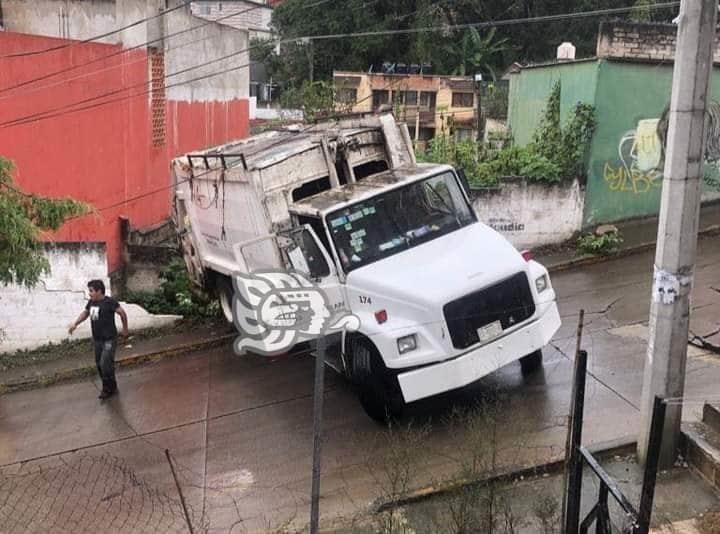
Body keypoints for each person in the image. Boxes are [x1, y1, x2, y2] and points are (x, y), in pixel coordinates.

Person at [68, 280, 129, 399]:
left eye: (91, 291)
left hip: (109, 339)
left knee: (105, 363)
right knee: (100, 365)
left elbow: (122, 313)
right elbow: (85, 313)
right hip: (97, 340)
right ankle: (112, 386)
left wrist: (125, 329)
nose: (89, 293)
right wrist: (75, 324)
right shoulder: (91, 302)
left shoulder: (109, 302)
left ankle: (107, 389)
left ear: (99, 291)